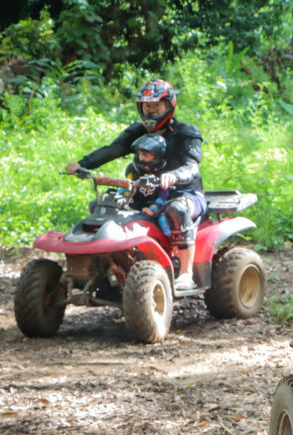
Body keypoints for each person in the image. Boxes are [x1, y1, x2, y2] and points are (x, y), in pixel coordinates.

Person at [66, 78, 205, 289]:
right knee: (103, 206)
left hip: (183, 193)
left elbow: (192, 167)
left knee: (176, 210)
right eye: (147, 106)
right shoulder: (137, 132)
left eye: (156, 106)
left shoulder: (186, 133)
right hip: (144, 191)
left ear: (169, 106)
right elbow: (113, 150)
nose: (151, 111)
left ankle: (185, 273)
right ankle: (108, 266)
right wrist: (83, 164)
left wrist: (175, 175)